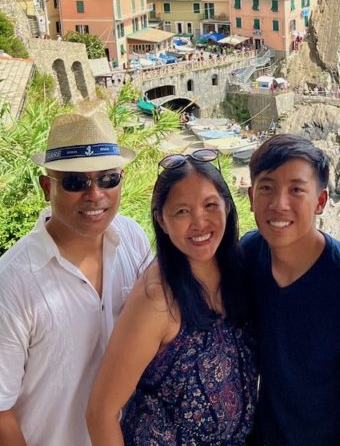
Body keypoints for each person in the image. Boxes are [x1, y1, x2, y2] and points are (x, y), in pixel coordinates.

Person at [0, 106, 151, 446]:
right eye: (75, 182)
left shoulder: (133, 240)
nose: (95, 194)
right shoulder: (5, 290)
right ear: (45, 187)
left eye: (108, 178)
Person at [87, 149, 256, 445]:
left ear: (228, 208)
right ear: (161, 221)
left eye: (210, 205)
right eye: (182, 211)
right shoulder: (158, 300)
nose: (199, 222)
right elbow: (101, 413)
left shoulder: (239, 270)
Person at [242, 134, 340, 446]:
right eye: (267, 187)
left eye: (296, 190)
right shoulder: (250, 254)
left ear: (320, 201)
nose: (279, 204)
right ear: (252, 196)